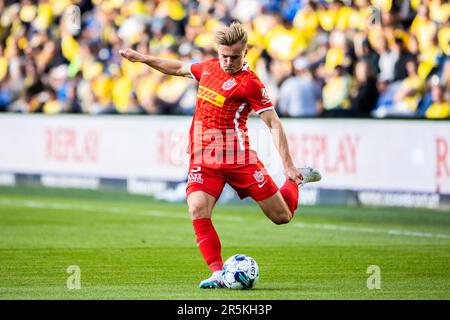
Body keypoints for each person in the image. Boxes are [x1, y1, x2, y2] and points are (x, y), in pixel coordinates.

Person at [119, 22, 321, 289]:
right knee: (197, 208)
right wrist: (143, 58)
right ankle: (217, 272)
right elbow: (178, 67)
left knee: (281, 217)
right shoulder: (209, 68)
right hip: (204, 158)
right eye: (224, 55)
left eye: (234, 57)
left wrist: (288, 166)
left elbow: (273, 123)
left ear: (245, 52)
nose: (228, 61)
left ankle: (294, 182)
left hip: (239, 159)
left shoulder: (251, 84)